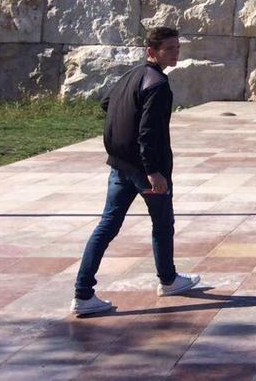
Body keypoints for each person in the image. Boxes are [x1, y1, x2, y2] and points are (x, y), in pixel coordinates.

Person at [72, 27, 201, 315]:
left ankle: (83, 293)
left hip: (120, 165)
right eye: (169, 49)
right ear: (151, 51)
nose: (175, 53)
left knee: (108, 225)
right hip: (145, 170)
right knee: (162, 223)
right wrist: (154, 171)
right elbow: (149, 133)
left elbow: (108, 103)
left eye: (177, 47)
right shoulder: (157, 84)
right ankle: (167, 280)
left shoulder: (132, 76)